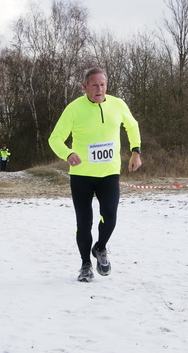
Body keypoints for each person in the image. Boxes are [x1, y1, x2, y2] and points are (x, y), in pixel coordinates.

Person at [48, 67, 142, 282]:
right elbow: (54, 138)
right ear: (84, 87)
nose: (99, 89)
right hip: (81, 176)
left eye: (103, 85)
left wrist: (136, 151)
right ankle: (85, 265)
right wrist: (67, 153)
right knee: (84, 222)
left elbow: (133, 125)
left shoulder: (118, 105)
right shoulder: (74, 109)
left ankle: (100, 247)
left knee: (110, 216)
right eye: (94, 85)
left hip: (109, 174)